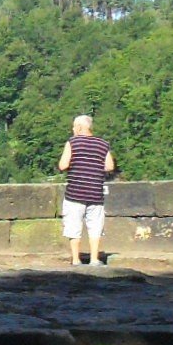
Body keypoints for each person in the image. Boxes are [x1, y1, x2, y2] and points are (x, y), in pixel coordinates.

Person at [58, 113, 116, 267]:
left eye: (73, 127)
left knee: (73, 226)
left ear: (78, 128)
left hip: (75, 192)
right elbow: (110, 166)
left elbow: (63, 165)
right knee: (95, 227)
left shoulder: (72, 142)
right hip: (96, 192)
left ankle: (76, 259)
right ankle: (94, 259)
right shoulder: (103, 144)